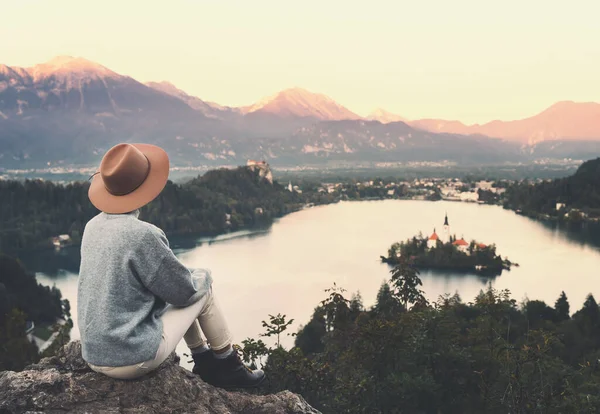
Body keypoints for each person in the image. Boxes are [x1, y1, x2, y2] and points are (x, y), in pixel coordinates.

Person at [77, 142, 265, 388]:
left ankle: (205, 361)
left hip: (94, 355)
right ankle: (230, 367)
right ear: (144, 188)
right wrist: (202, 276)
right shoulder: (143, 235)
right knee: (202, 290)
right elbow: (183, 293)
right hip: (132, 359)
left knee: (175, 287)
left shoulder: (92, 227)